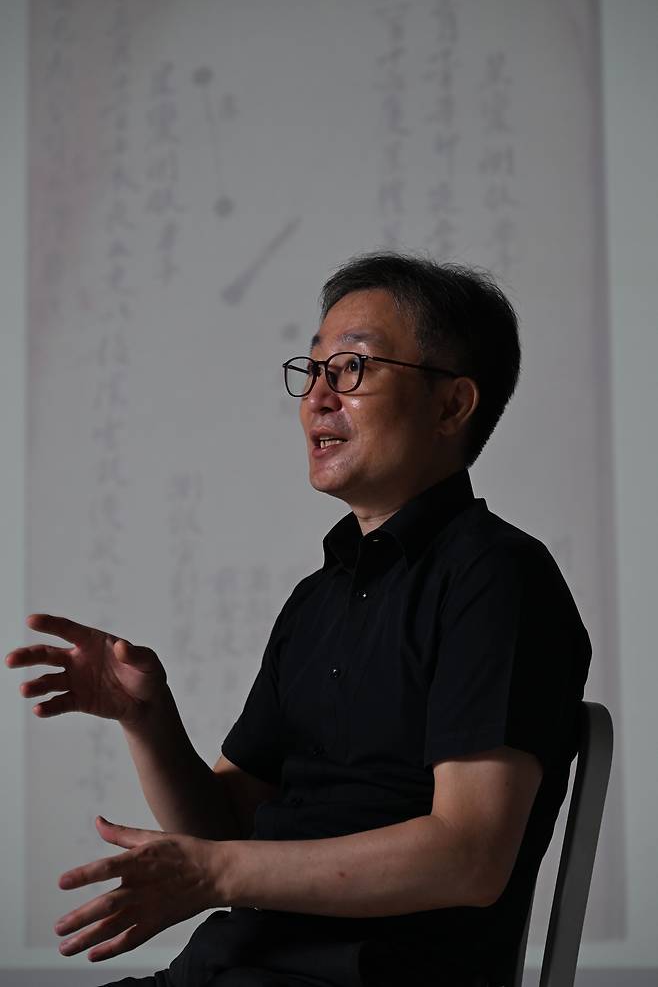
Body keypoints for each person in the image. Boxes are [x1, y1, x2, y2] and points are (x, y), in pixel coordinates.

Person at [6, 252, 592, 987]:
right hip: (226, 967)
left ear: (452, 405)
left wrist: (218, 870)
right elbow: (221, 831)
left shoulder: (498, 578)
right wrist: (146, 718)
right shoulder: (319, 598)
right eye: (310, 370)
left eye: (351, 368)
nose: (316, 397)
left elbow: (468, 855)